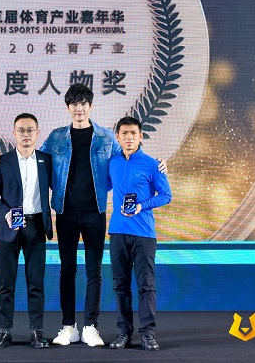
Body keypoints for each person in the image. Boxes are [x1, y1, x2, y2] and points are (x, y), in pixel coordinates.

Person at [0, 84, 166, 347]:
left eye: (83, 103)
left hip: (95, 212)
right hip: (66, 212)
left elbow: (127, 158)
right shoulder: (57, 137)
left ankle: (91, 327)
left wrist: (157, 164)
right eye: (74, 104)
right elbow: (33, 158)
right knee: (67, 269)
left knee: (94, 270)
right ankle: (68, 326)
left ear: (90, 106)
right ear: (68, 107)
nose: (79, 108)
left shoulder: (106, 137)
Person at [0, 113, 53, 349]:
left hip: (36, 227)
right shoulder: (1, 161)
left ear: (38, 133)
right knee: (6, 284)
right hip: (8, 228)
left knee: (36, 283)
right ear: (14, 133)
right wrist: (6, 214)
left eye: (30, 130)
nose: (26, 134)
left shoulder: (46, 160)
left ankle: (37, 332)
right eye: (21, 130)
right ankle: (4, 331)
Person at [107, 116, 172, 351]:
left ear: (140, 136)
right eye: (124, 133)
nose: (129, 137)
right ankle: (124, 333)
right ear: (117, 137)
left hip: (144, 233)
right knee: (120, 285)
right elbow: (101, 185)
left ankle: (148, 334)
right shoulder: (112, 163)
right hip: (117, 232)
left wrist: (141, 205)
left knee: (146, 285)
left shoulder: (152, 165)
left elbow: (166, 195)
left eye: (133, 133)